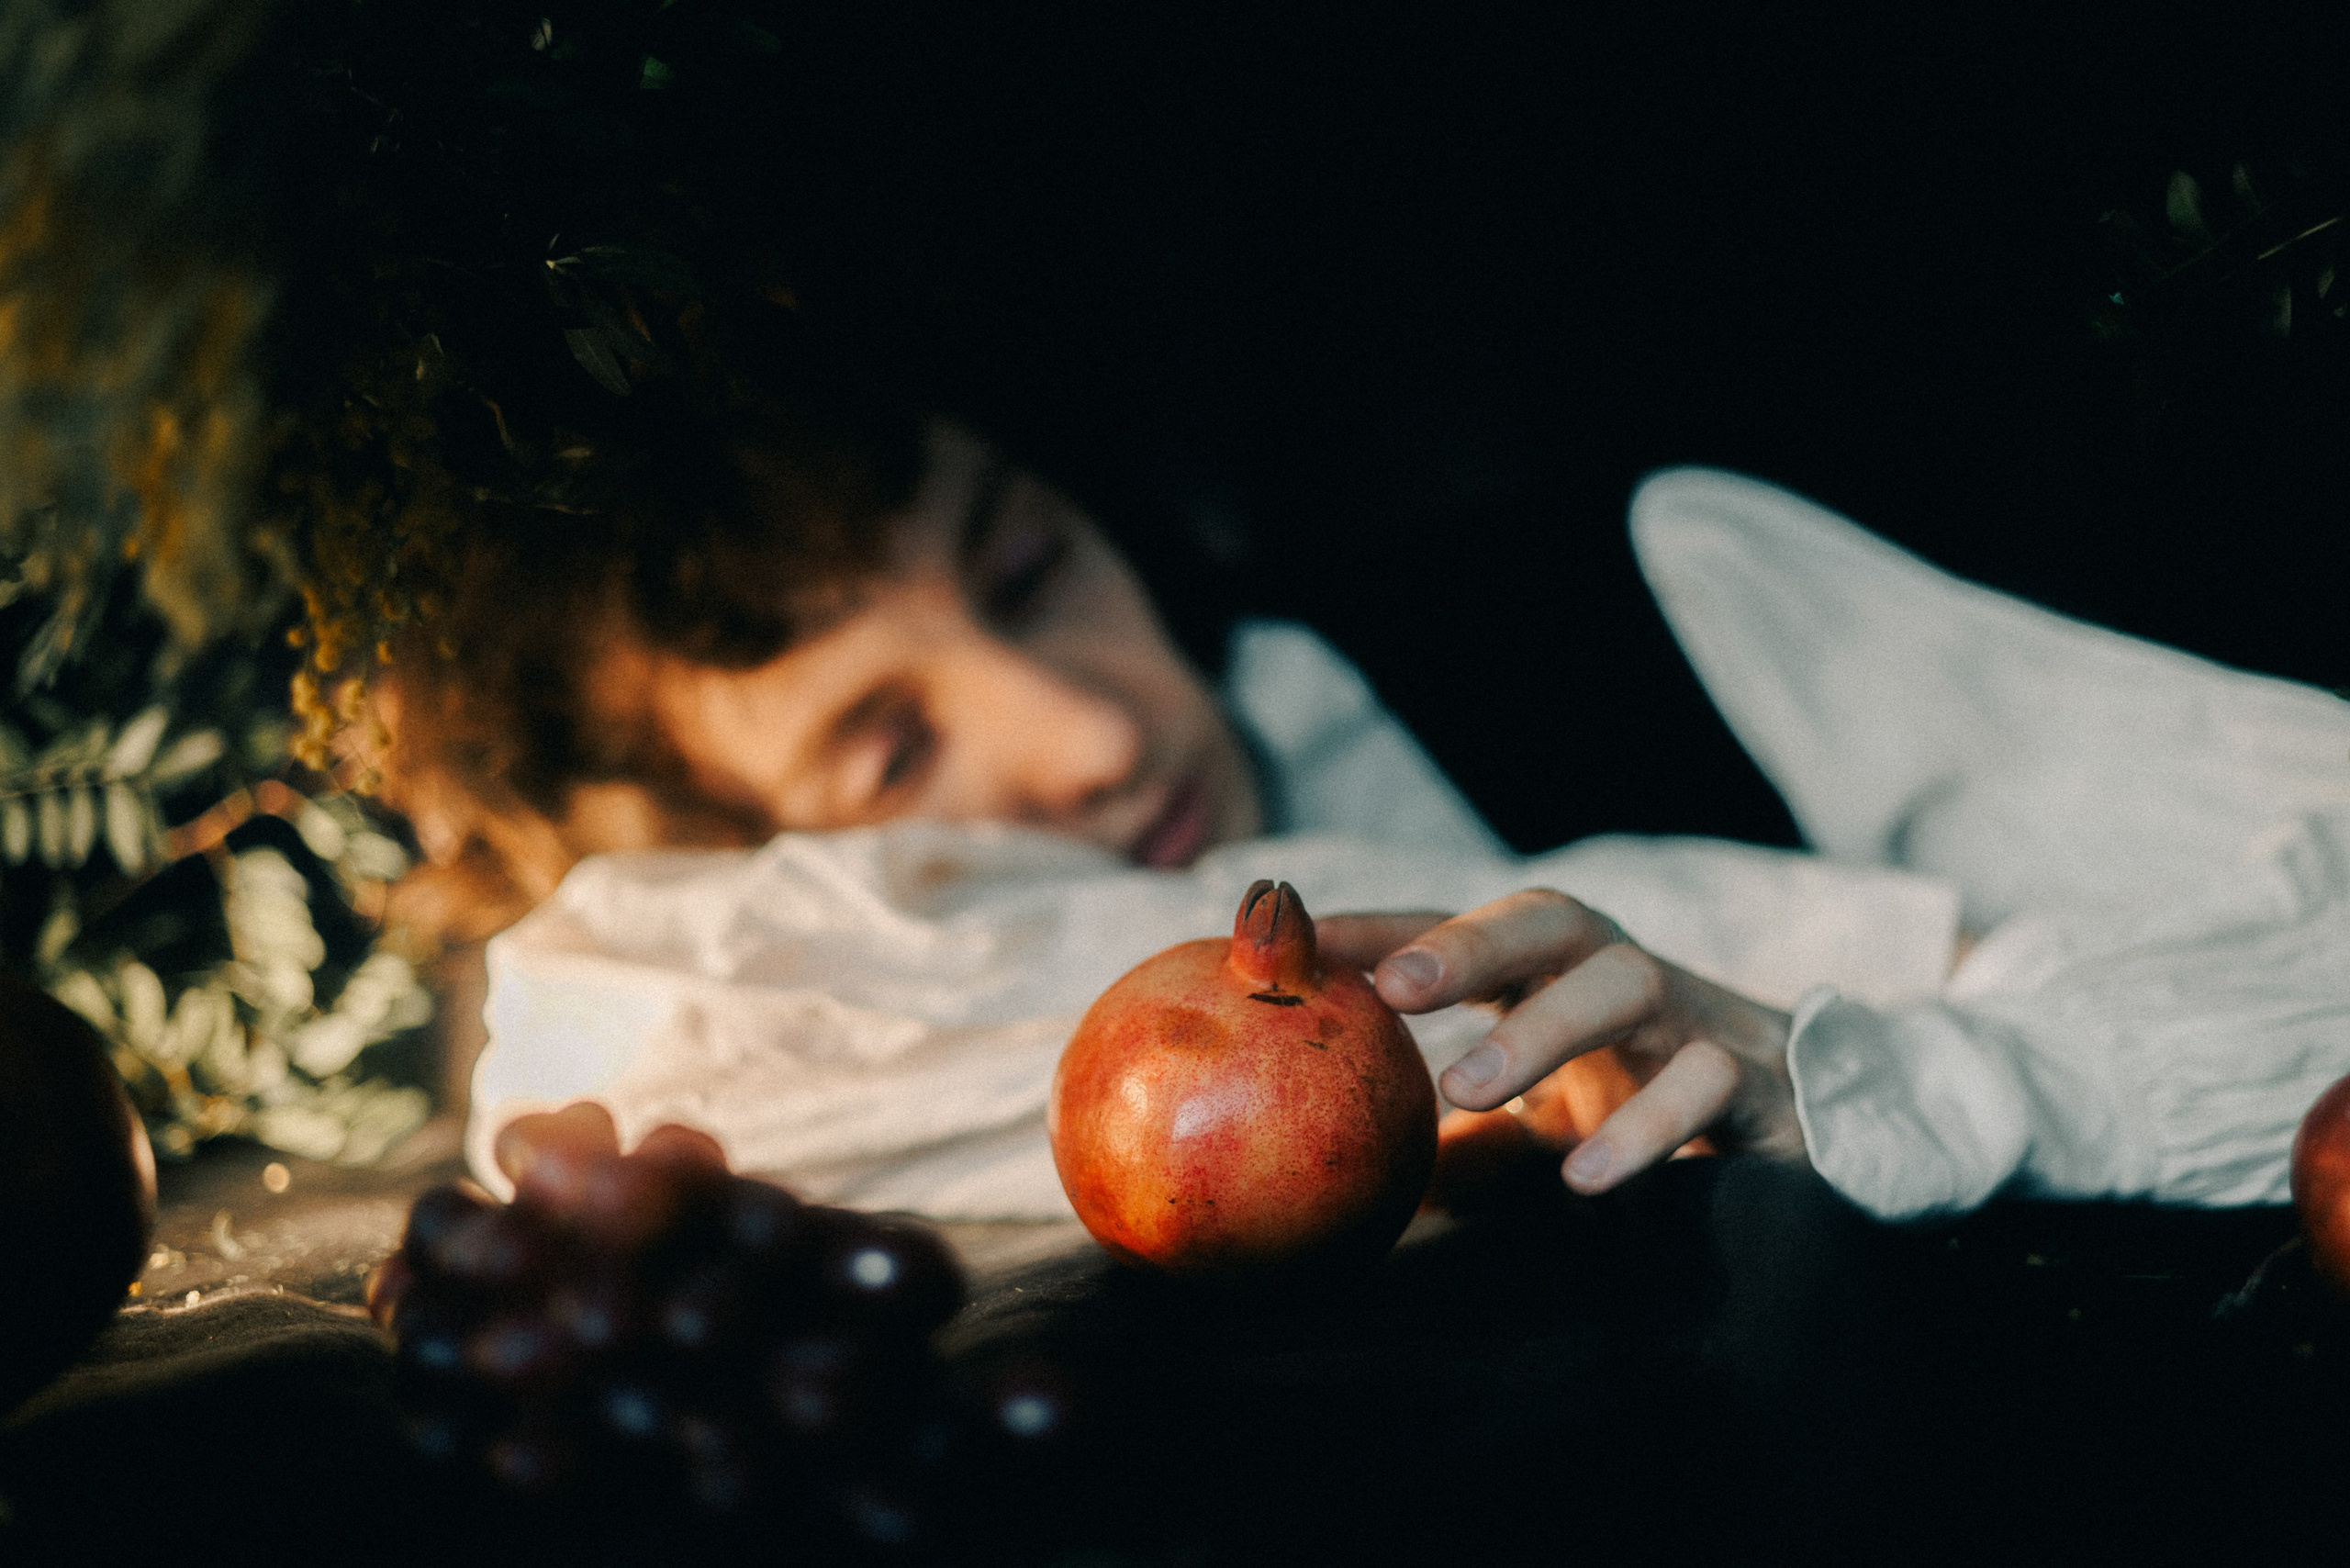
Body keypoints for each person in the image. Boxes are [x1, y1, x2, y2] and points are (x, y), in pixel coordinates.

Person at [353, 315, 2350, 1224]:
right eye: (888, 746)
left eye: (1032, 565)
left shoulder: (1648, 583)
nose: (1096, 729)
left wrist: (1838, 1067)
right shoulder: (819, 1043)